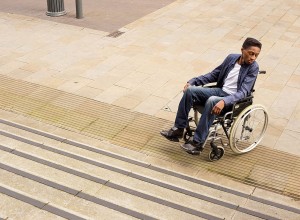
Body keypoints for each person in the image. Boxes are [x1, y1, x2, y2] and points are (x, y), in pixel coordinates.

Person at [160, 37, 262, 155]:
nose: (253, 58)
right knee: (190, 91)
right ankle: (178, 129)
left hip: (233, 101)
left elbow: (243, 92)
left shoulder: (253, 67)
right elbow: (214, 75)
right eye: (251, 54)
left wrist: (224, 101)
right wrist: (193, 81)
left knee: (212, 100)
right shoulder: (231, 58)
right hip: (220, 91)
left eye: (256, 55)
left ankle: (197, 143)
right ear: (242, 50)